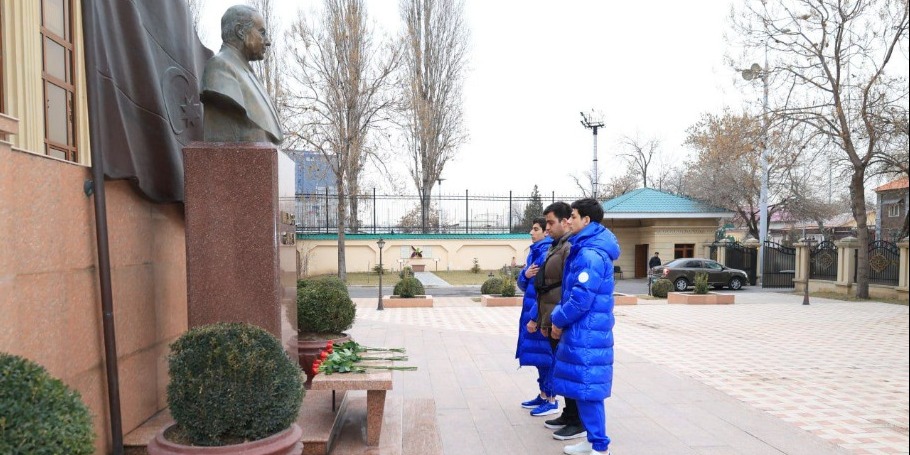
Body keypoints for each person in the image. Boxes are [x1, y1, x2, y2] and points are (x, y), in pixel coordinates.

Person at [550, 198, 620, 455]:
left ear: (587, 221)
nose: (569, 221)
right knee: (583, 388)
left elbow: (580, 299)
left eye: (574, 217)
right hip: (584, 330)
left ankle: (600, 447)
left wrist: (557, 320)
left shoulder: (590, 254)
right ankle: (592, 440)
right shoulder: (586, 247)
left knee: (589, 390)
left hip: (587, 332)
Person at [526, 202, 586, 437]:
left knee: (570, 369)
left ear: (564, 222)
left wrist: (557, 321)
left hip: (560, 318)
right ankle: (569, 413)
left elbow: (567, 288)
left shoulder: (569, 247)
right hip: (551, 315)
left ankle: (578, 420)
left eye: (551, 222)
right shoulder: (556, 245)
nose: (546, 227)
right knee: (562, 368)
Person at [201, 5, 283, 145]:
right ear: (240, 31)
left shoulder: (246, 71)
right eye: (261, 33)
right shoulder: (220, 67)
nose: (268, 41)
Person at [515, 217, 555, 415]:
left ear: (545, 232)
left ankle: (551, 399)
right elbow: (522, 284)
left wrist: (536, 317)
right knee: (538, 356)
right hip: (532, 310)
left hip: (540, 314)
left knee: (546, 356)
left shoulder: (546, 252)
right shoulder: (535, 252)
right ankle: (542, 394)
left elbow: (544, 290)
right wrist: (525, 275)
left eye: (535, 229)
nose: (531, 232)